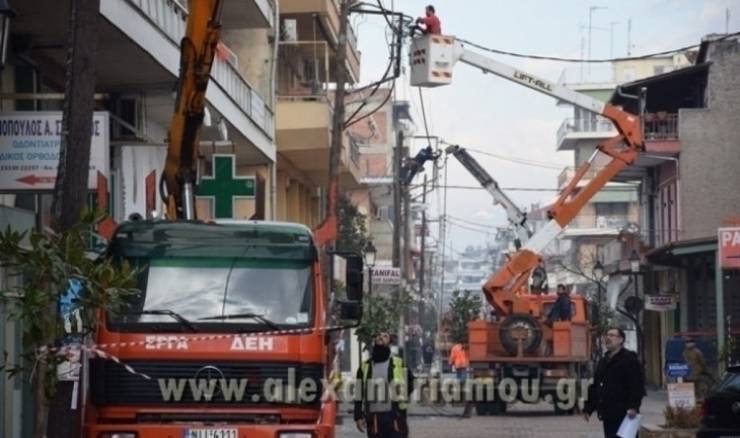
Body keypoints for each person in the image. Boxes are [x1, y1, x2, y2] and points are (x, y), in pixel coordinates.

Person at [584, 327, 645, 438]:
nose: (608, 338)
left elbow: (636, 384)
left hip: (625, 414)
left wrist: (633, 406)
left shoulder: (629, 359)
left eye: (612, 335)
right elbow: (596, 386)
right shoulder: (604, 361)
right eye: (607, 335)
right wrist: (588, 408)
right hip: (608, 414)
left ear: (621, 340)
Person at [354, 331, 415, 438]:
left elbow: (412, 381)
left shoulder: (398, 363)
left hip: (395, 417)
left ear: (390, 342)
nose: (380, 337)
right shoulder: (365, 367)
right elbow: (359, 394)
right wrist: (358, 416)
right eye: (378, 335)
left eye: (385, 336)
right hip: (374, 419)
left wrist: (402, 394)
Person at [448, 342, 472, 417]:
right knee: (462, 378)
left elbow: (452, 356)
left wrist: (450, 363)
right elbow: (468, 355)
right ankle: (460, 385)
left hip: (458, 364)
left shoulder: (455, 347)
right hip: (464, 364)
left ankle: (458, 386)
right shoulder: (465, 346)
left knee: (459, 377)